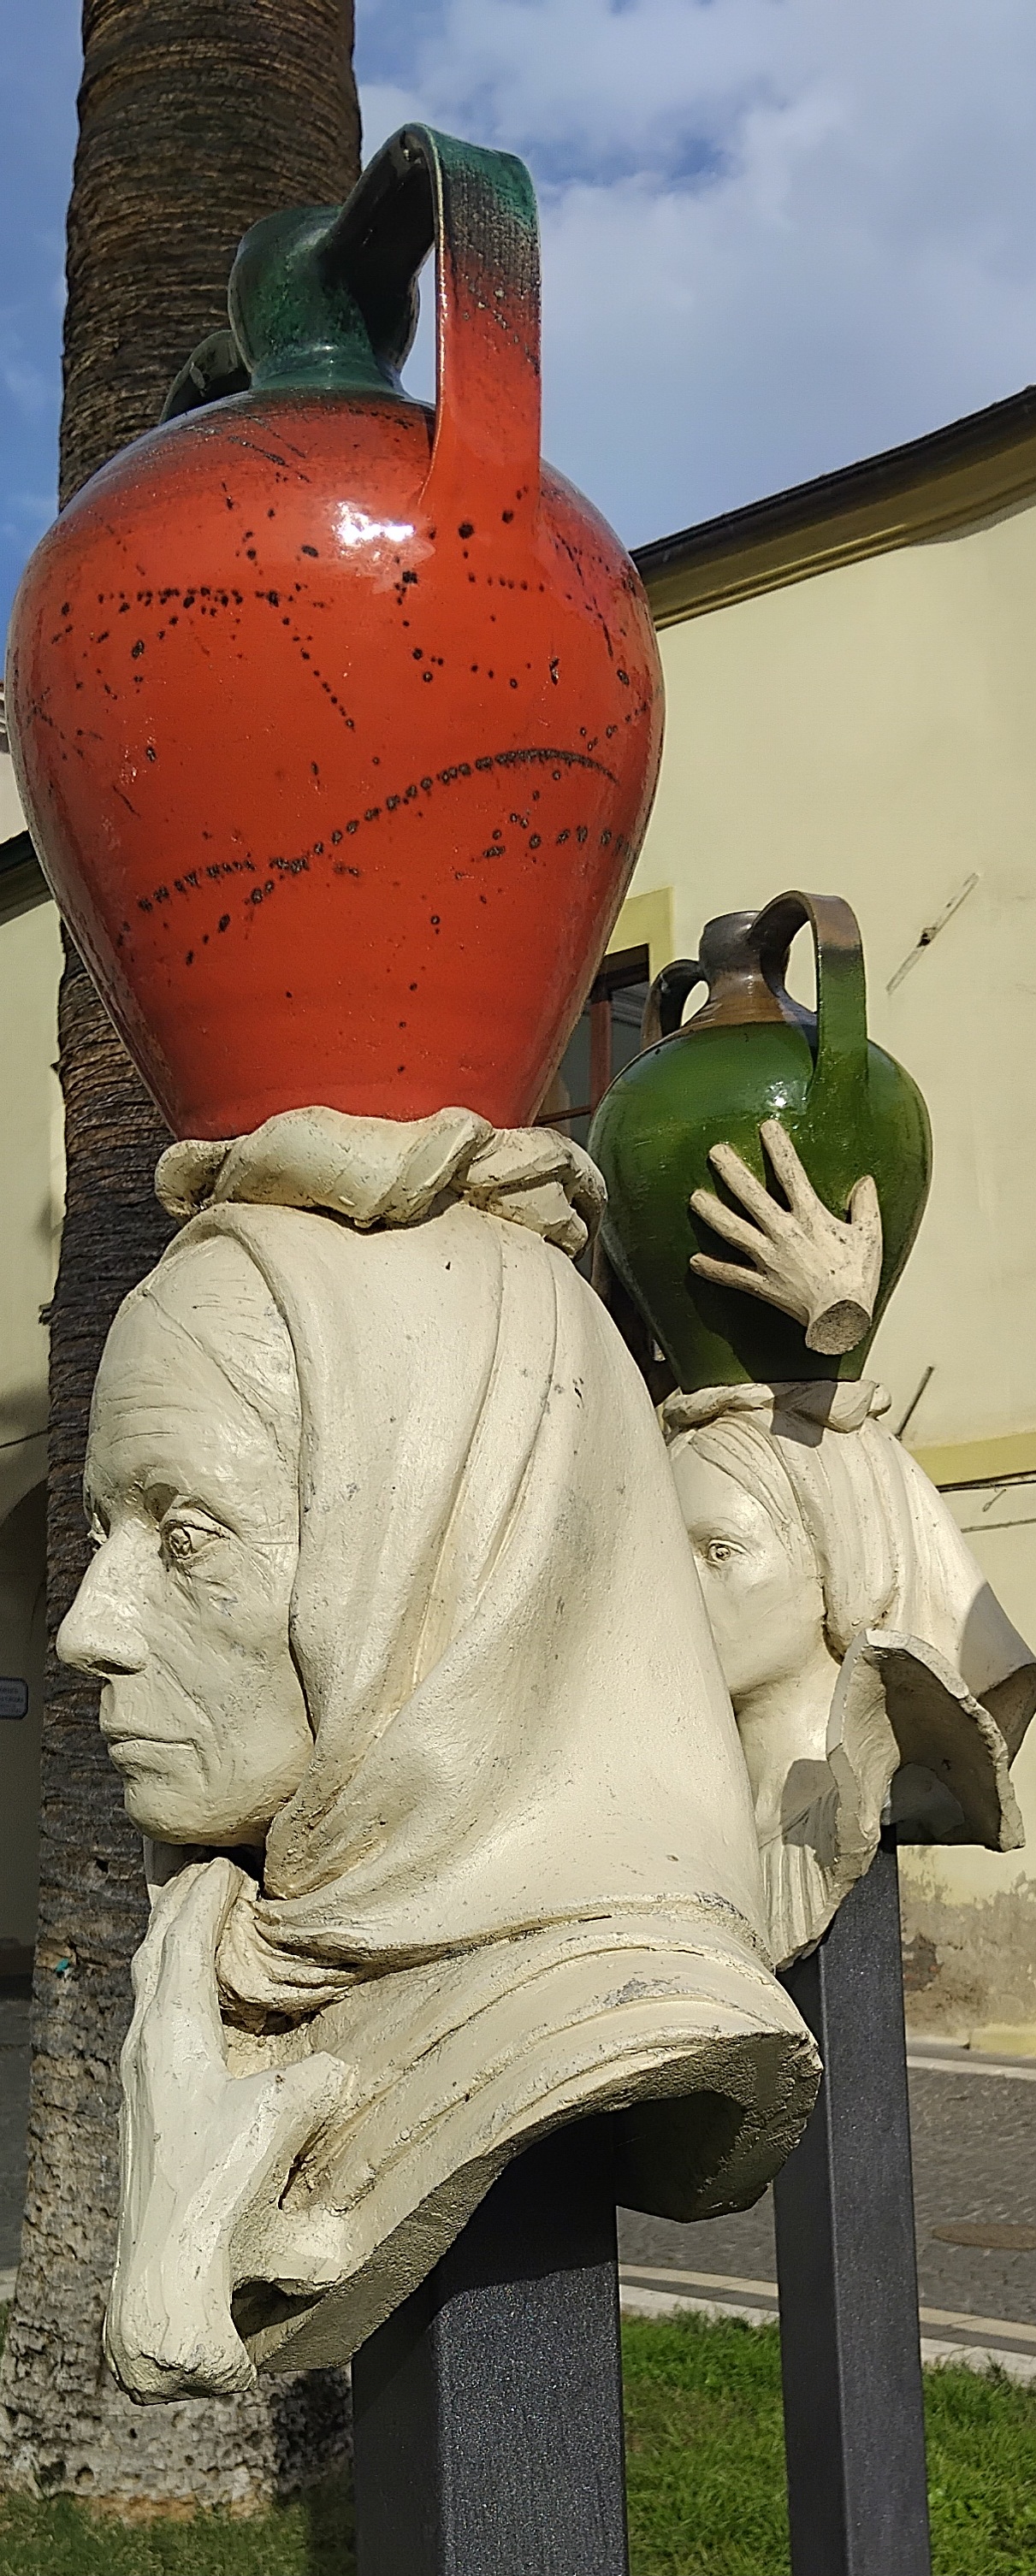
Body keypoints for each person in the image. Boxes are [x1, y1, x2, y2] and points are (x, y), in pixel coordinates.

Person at [56, 1104, 819, 2401]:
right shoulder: (218, 1950)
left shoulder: (618, 2005)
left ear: (441, 1559)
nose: (88, 1629)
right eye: (98, 1531)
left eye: (185, 1536)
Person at [666, 1374, 1035, 1968]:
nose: (678, 1589)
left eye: (719, 1552)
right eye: (667, 1555)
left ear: (841, 1566)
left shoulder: (866, 1794)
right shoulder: (663, 1811)